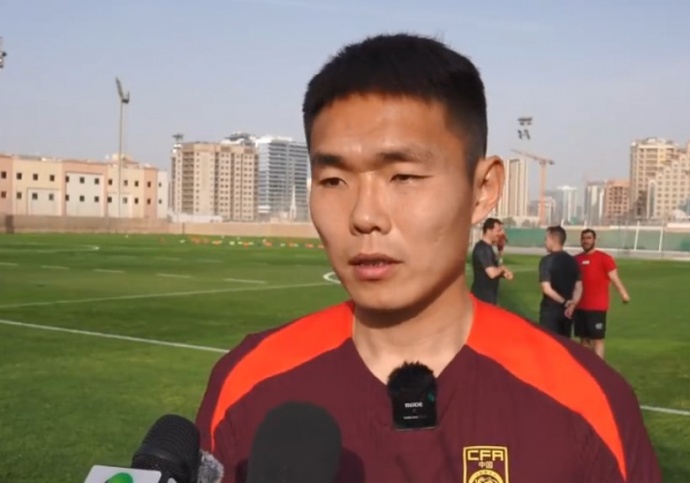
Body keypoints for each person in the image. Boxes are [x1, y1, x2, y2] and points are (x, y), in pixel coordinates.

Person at [195, 33, 661, 483]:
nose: (364, 216)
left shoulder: (586, 399)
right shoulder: (247, 382)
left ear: (483, 190)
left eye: (404, 177)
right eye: (334, 181)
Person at [574, 228, 631, 359]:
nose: (586, 241)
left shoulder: (605, 259)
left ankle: (598, 367)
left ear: (595, 240)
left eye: (589, 238)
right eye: (583, 238)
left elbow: (614, 278)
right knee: (583, 340)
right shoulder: (576, 259)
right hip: (579, 306)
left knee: (597, 339)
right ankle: (586, 365)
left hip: (597, 308)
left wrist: (623, 294)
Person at [538, 225, 583, 338]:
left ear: (553, 240)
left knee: (548, 343)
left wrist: (565, 302)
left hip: (550, 312)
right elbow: (578, 288)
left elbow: (546, 289)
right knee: (563, 344)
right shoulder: (573, 261)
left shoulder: (547, 261)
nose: (545, 242)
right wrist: (572, 305)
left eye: (546, 239)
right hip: (567, 313)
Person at [470, 217, 513, 305]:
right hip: (482, 298)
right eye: (498, 231)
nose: (500, 234)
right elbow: (492, 273)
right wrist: (503, 268)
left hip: (488, 297)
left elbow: (491, 271)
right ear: (488, 231)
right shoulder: (483, 249)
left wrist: (502, 274)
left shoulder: (487, 248)